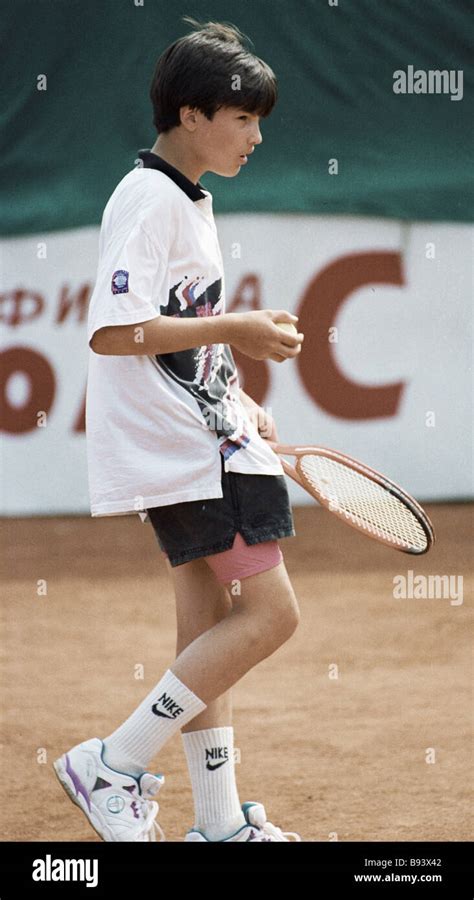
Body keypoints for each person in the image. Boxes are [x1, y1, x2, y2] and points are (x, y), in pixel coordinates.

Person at [53, 17, 304, 843]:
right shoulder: (148, 197)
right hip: (182, 451)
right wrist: (236, 328)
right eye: (243, 118)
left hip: (200, 436)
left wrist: (237, 397)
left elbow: (177, 332)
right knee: (271, 618)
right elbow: (114, 331)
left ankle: (218, 823)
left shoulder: (189, 202)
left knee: (207, 631)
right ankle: (113, 764)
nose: (256, 136)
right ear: (190, 115)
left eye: (259, 120)